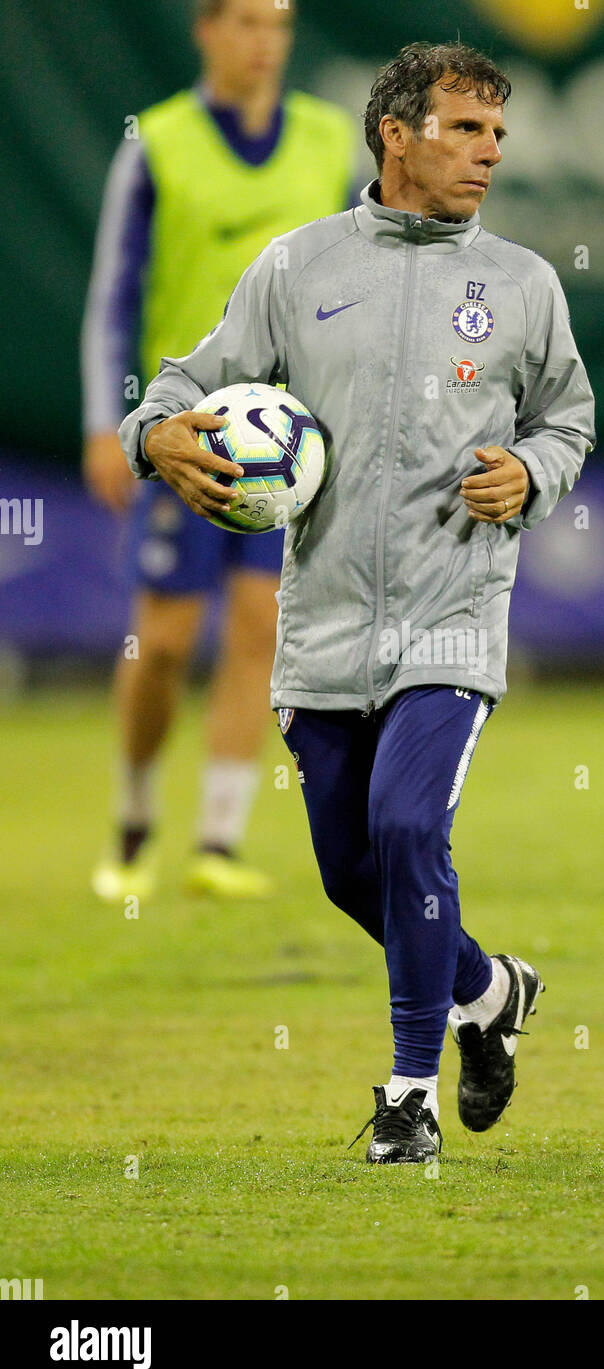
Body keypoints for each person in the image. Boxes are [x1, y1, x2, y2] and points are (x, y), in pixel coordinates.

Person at [119, 41, 596, 1162]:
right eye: (464, 130)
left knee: (406, 826)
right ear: (396, 135)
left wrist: (532, 472)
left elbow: (567, 420)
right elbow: (188, 382)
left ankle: (406, 1097)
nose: (487, 154)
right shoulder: (297, 270)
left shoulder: (522, 284)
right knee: (351, 873)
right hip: (323, 624)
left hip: (452, 616)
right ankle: (488, 990)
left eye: (496, 136)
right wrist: (154, 434)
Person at [82, 0, 357, 901]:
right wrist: (104, 420)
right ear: (206, 31)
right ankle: (132, 820)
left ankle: (218, 842)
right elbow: (113, 296)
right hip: (188, 431)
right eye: (242, 22)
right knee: (161, 643)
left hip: (285, 438)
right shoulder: (158, 142)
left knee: (260, 628)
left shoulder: (326, 139)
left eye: (276, 25)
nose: (262, 42)